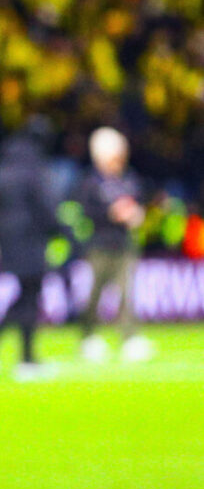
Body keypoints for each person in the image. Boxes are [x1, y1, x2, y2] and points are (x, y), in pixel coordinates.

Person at [0, 123, 60, 380]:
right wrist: (60, 230)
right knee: (31, 295)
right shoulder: (34, 168)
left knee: (25, 294)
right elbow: (44, 204)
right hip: (31, 238)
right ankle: (25, 358)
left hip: (7, 239)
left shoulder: (2, 166)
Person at [77, 126, 152, 363]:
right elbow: (85, 211)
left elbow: (139, 201)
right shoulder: (91, 181)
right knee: (95, 294)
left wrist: (136, 213)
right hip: (99, 245)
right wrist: (110, 213)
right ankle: (88, 337)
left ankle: (129, 338)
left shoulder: (129, 178)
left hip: (124, 244)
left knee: (126, 293)